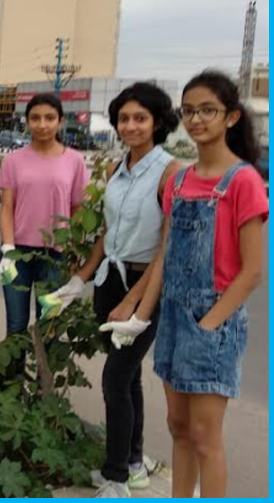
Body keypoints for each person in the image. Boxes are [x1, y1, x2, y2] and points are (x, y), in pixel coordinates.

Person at [103, 71, 267, 498]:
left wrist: (209, 324)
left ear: (231, 117)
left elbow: (252, 271)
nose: (197, 119)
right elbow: (166, 257)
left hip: (214, 320)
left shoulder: (243, 181)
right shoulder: (178, 180)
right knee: (177, 426)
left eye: (207, 110)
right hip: (173, 315)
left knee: (204, 436)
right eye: (189, 110)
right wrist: (141, 315)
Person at [43, 83, 180, 497]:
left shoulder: (170, 171)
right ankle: (135, 462)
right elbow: (106, 233)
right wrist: (78, 279)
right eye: (124, 118)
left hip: (145, 284)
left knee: (114, 381)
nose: (131, 125)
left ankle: (117, 476)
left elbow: (165, 247)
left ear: (158, 122)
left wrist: (135, 303)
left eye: (140, 118)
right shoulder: (117, 169)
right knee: (129, 377)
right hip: (110, 280)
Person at [0, 93, 89, 334]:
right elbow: (7, 207)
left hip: (56, 256)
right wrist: (7, 249)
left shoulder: (75, 161)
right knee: (16, 325)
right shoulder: (13, 161)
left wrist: (75, 254)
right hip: (17, 254)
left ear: (60, 121)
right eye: (35, 118)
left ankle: (43, 373)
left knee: (48, 325)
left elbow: (78, 210)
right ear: (27, 122)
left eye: (50, 118)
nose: (42, 124)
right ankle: (14, 373)